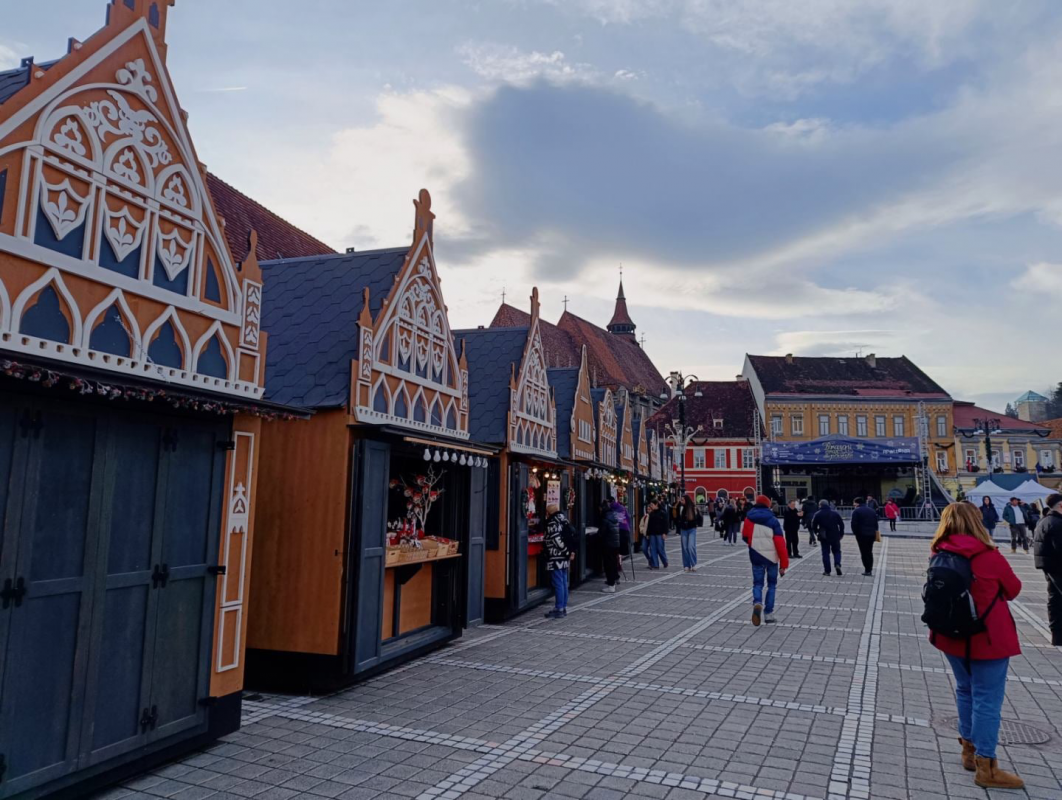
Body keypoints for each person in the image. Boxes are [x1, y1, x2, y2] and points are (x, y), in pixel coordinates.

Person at [927, 502, 1023, 789]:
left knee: (965, 689)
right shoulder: (988, 555)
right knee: (987, 699)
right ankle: (986, 766)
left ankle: (968, 750)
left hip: (950, 636)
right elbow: (1013, 589)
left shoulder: (938, 552)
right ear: (976, 522)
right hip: (987, 638)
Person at [742, 495, 789, 625]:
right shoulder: (773, 520)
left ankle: (757, 602)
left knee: (757, 584)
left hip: (756, 556)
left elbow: (745, 537)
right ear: (768, 505)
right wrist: (783, 564)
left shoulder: (748, 519)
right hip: (771, 558)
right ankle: (768, 614)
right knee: (772, 585)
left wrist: (754, 544)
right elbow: (780, 543)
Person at [1033, 492, 1062, 646]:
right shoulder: (1057, 523)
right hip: (1058, 567)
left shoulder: (1044, 520)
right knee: (1056, 601)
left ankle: (1057, 636)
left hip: (1050, 567)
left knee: (1055, 601)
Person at [543, 503, 575, 618]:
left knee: (558, 583)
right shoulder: (564, 520)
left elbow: (556, 539)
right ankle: (563, 606)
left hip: (556, 556)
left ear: (549, 513)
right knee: (563, 582)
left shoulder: (552, 522)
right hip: (564, 557)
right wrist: (569, 552)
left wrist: (564, 551)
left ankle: (559, 608)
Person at [812, 499, 845, 576]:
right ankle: (837, 564)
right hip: (835, 535)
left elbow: (813, 525)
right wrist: (841, 534)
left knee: (825, 553)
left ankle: (827, 571)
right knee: (837, 551)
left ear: (820, 505)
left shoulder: (818, 514)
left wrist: (817, 532)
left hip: (824, 536)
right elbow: (841, 524)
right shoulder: (835, 513)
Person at [850, 497, 879, 576]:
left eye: (854, 503)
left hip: (862, 535)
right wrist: (876, 534)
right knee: (869, 551)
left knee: (864, 552)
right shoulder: (871, 510)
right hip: (872, 534)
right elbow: (876, 524)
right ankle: (870, 568)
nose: (853, 505)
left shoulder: (856, 511)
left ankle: (867, 569)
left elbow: (854, 524)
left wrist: (856, 533)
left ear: (857, 503)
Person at [599, 499, 622, 593]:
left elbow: (601, 533)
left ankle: (611, 585)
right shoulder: (614, 517)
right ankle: (614, 579)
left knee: (608, 564)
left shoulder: (605, 519)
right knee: (613, 563)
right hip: (615, 543)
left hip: (608, 544)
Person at [675, 495, 702, 571]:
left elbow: (698, 518)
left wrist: (696, 524)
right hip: (683, 529)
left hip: (691, 529)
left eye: (683, 500)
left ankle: (693, 564)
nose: (681, 501)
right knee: (685, 548)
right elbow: (678, 518)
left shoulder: (693, 508)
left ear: (686, 500)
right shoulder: (681, 507)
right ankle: (686, 565)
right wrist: (680, 525)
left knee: (691, 546)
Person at [645, 499, 670, 569]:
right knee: (652, 549)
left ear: (656, 504)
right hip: (652, 533)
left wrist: (665, 533)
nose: (651, 506)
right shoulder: (651, 514)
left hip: (660, 533)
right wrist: (648, 533)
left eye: (652, 505)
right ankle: (655, 564)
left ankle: (665, 561)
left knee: (660, 548)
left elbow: (666, 523)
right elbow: (649, 524)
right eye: (650, 505)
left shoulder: (662, 512)